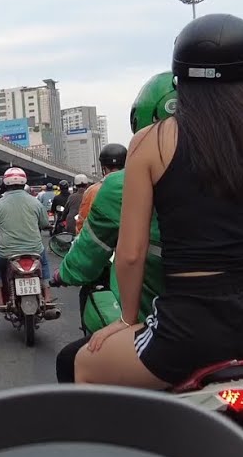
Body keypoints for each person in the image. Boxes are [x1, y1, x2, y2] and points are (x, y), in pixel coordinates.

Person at [72, 13, 243, 457]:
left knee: (84, 365)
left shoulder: (153, 141)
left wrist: (126, 321)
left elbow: (130, 253)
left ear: (179, 76)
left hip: (188, 329)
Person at [54, 79, 172, 381]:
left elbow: (120, 254)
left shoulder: (115, 187)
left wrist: (62, 275)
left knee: (73, 361)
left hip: (173, 328)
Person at [0, 167, 57, 310]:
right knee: (43, 263)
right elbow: (44, 223)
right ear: (24, 182)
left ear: (6, 183)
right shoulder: (35, 201)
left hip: (7, 252)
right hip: (34, 249)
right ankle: (48, 297)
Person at [76, 142, 130, 234]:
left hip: (102, 244)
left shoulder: (92, 191)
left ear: (103, 168)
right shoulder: (137, 186)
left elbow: (82, 225)